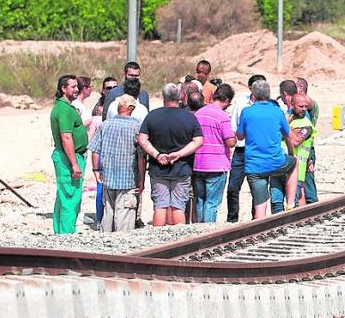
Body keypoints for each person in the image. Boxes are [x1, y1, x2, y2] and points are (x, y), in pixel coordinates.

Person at [137, 82, 203, 226]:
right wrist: (179, 154)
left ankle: (159, 239)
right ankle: (178, 240)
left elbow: (142, 139)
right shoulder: (189, 117)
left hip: (158, 168)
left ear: (163, 97)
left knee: (160, 205)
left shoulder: (152, 116)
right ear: (180, 97)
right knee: (178, 206)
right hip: (182, 167)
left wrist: (157, 154)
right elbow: (198, 141)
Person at [237, 79, 295, 220]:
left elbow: (239, 136)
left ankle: (259, 230)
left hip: (254, 165)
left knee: (260, 206)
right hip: (276, 162)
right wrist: (291, 153)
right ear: (268, 94)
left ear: (254, 95)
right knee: (295, 163)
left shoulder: (246, 112)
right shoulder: (277, 111)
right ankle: (290, 204)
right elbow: (288, 136)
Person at [89, 95, 142, 232]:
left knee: (108, 212)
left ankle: (106, 245)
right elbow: (141, 156)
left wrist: (96, 169)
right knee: (124, 216)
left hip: (108, 177)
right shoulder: (136, 126)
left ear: (119, 107)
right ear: (132, 109)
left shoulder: (105, 124)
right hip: (128, 179)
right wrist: (141, 179)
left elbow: (95, 150)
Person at [190, 84, 236, 223]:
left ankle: (198, 232)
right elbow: (230, 142)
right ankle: (206, 235)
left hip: (198, 163)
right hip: (217, 165)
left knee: (200, 201)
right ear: (227, 100)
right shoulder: (222, 116)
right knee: (212, 203)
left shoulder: (198, 113)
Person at [50, 74, 87, 234]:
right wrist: (74, 164)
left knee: (63, 195)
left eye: (77, 86)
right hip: (68, 158)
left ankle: (60, 232)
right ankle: (66, 234)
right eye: (73, 86)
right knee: (70, 197)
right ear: (63, 89)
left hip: (67, 156)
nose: (76, 89)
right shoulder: (64, 110)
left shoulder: (64, 107)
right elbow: (66, 136)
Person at [226, 74, 264, 223]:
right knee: (233, 187)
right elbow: (234, 125)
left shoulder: (269, 105)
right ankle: (232, 219)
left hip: (258, 150)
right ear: (250, 88)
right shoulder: (241, 103)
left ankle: (257, 218)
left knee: (258, 187)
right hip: (241, 150)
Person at [90, 77, 118, 226]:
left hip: (117, 152)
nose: (111, 90)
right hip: (101, 154)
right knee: (101, 189)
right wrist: (95, 165)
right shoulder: (98, 109)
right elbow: (94, 140)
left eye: (114, 87)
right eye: (108, 88)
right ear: (103, 90)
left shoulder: (120, 105)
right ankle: (101, 219)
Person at [288, 92, 317, 206]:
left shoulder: (306, 123)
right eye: (301, 106)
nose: (304, 109)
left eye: (306, 106)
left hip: (299, 167)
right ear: (292, 104)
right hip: (284, 163)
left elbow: (296, 141)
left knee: (296, 197)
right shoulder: (289, 118)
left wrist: (286, 127)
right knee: (299, 194)